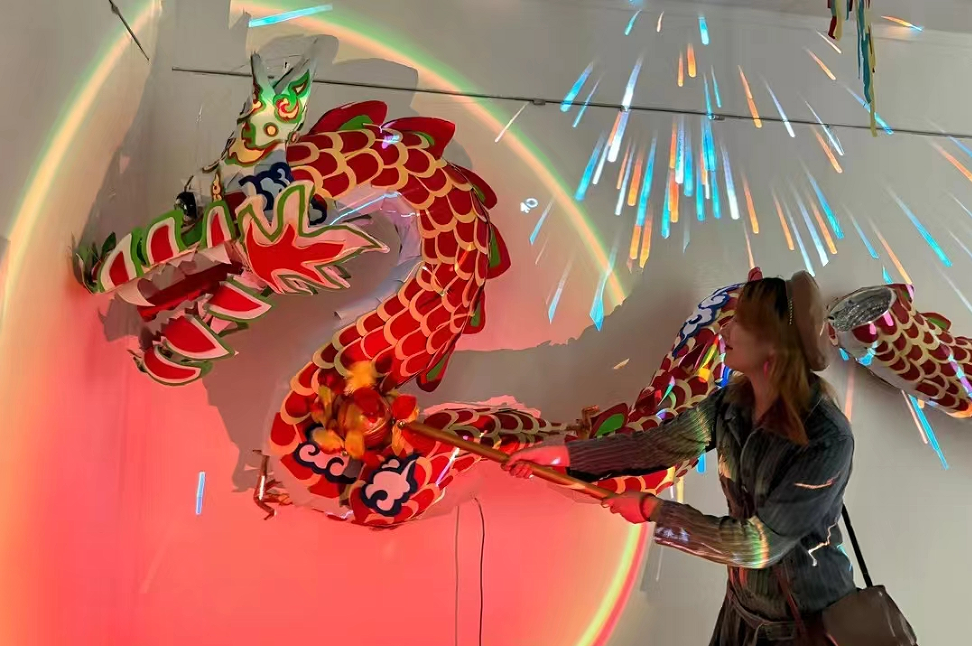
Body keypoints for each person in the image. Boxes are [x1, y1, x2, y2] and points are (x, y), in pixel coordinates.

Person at [504, 272, 855, 646]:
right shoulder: (731, 405)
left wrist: (655, 510)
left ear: (773, 341)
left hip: (806, 626)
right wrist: (560, 454)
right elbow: (653, 446)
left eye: (739, 322)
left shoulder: (827, 438)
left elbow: (756, 546)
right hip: (742, 611)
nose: (725, 330)